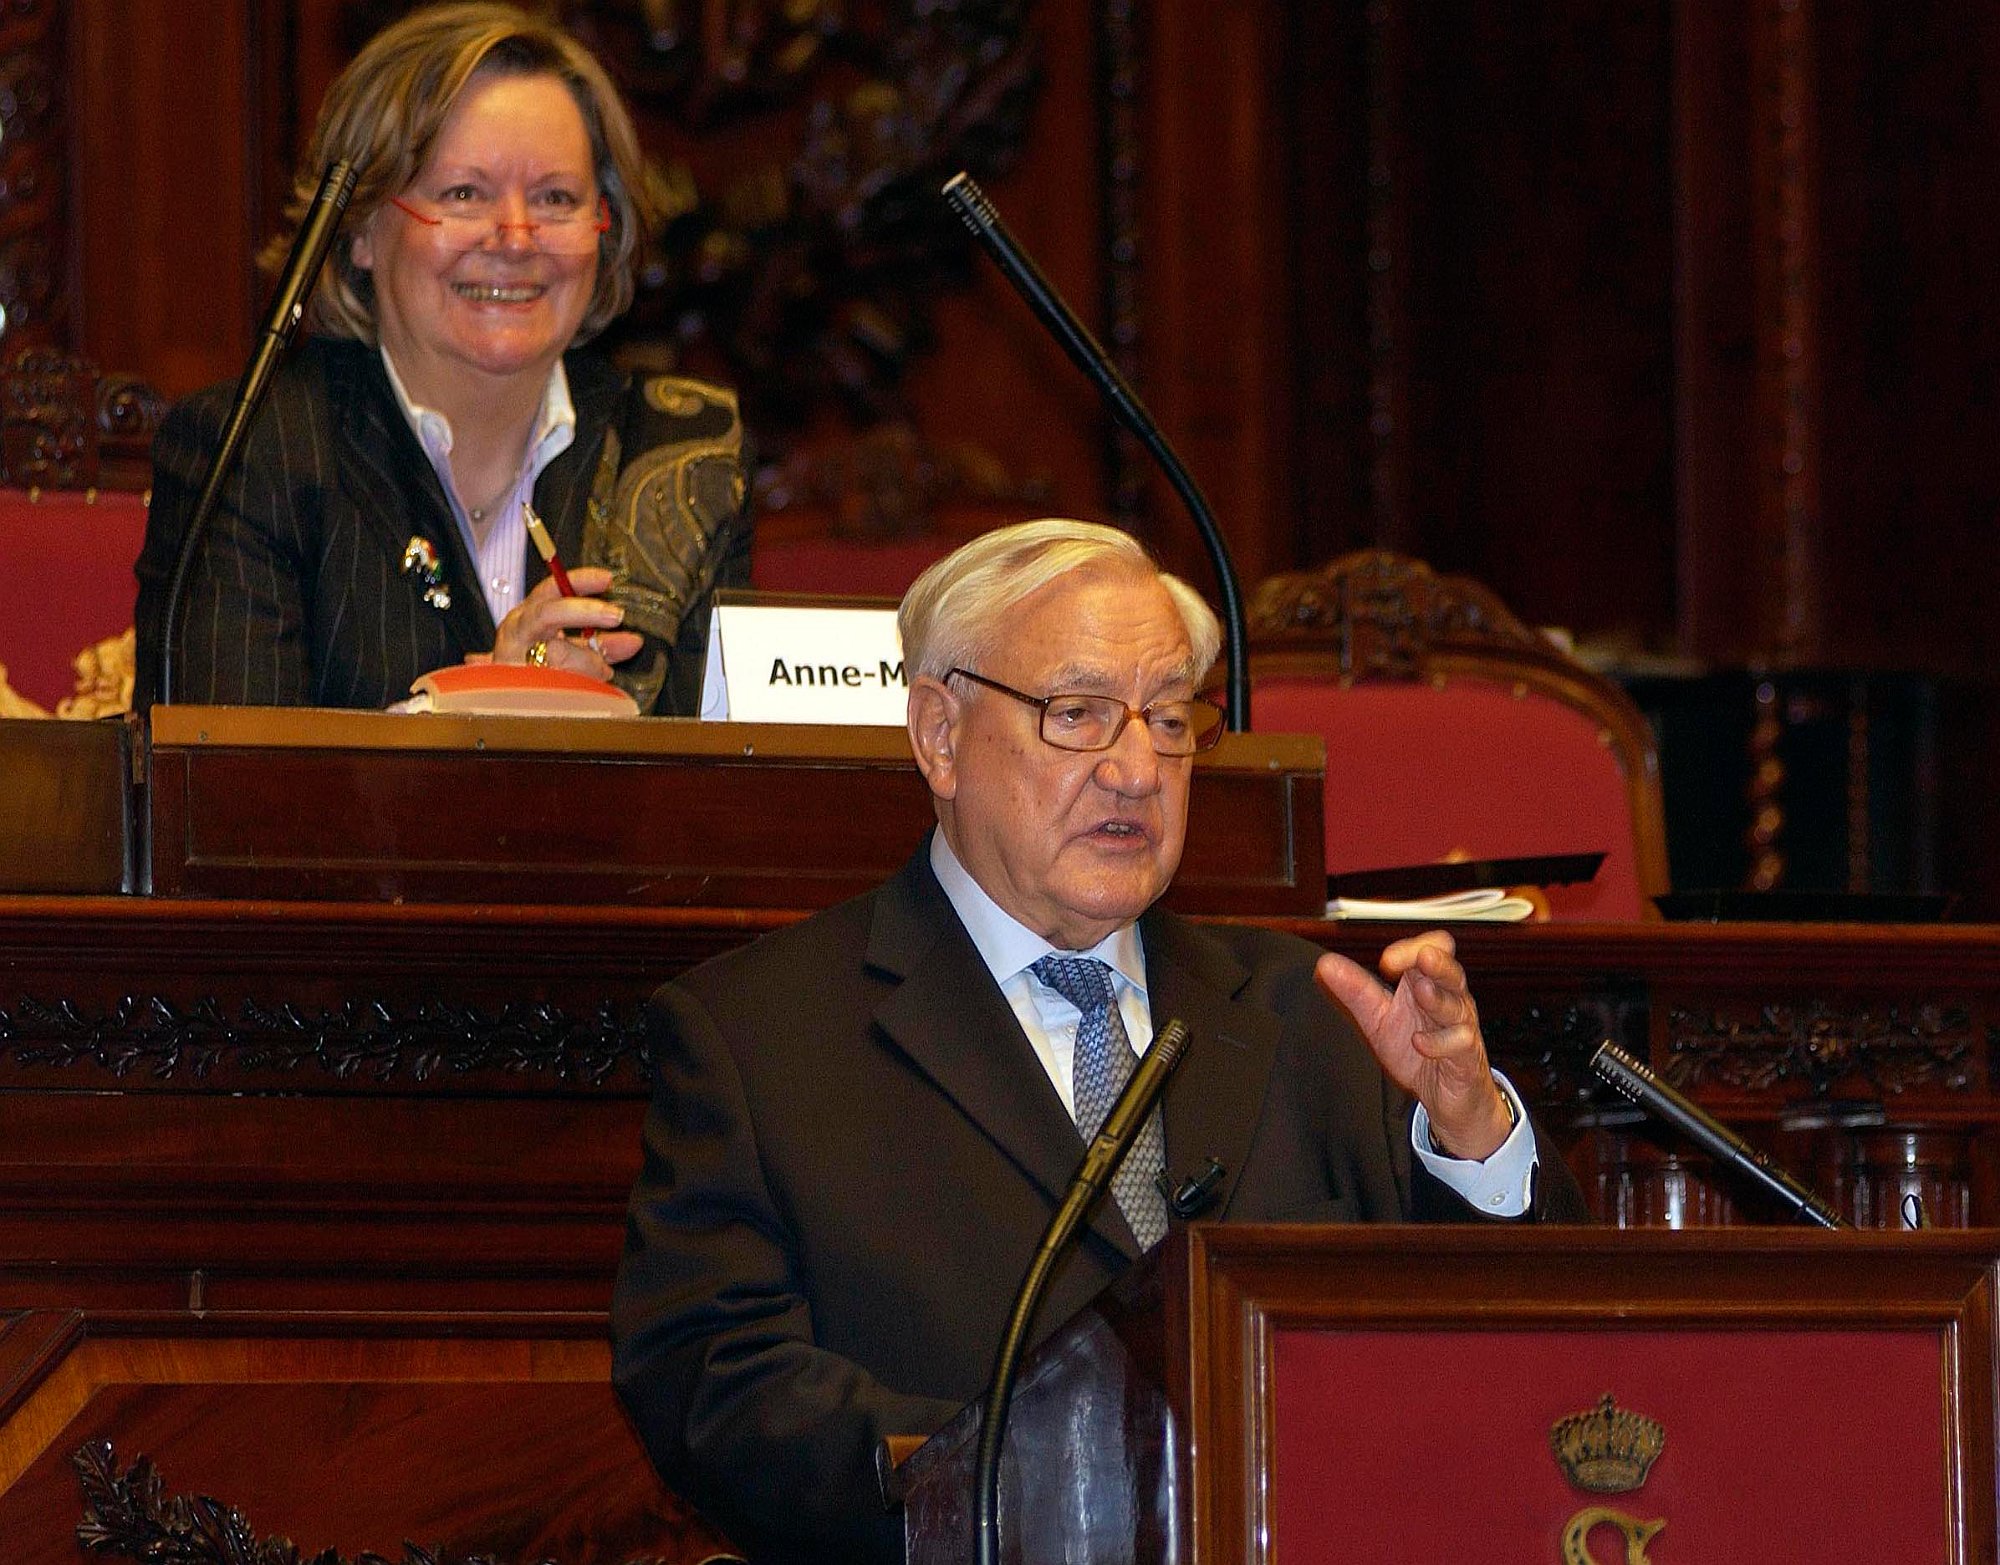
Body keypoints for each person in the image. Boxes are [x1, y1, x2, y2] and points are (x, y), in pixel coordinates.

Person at [611, 517, 1589, 1562]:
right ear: (939, 733)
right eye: (1077, 714)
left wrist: (1471, 1135)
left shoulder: (1312, 1010)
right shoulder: (761, 1033)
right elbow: (713, 1381)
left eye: (1168, 720)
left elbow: (1518, 1368)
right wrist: (1025, 1485)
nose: (1135, 768)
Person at [134, 2, 749, 714]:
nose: (516, 237)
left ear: (603, 230)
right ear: (362, 226)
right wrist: (473, 715)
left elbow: (720, 797)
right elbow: (222, 801)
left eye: (555, 197)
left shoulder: (680, 457)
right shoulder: (252, 455)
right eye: (464, 193)